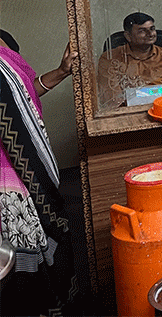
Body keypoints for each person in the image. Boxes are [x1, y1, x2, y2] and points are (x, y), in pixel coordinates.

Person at [0, 31, 79, 315]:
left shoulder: (4, 39)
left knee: (43, 236)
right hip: (5, 175)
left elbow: (24, 95)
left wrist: (61, 72)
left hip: (26, 159)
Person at [97, 12, 162, 107]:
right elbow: (112, 101)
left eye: (152, 29)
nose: (150, 34)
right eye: (142, 31)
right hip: (127, 114)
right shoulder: (109, 59)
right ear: (128, 36)